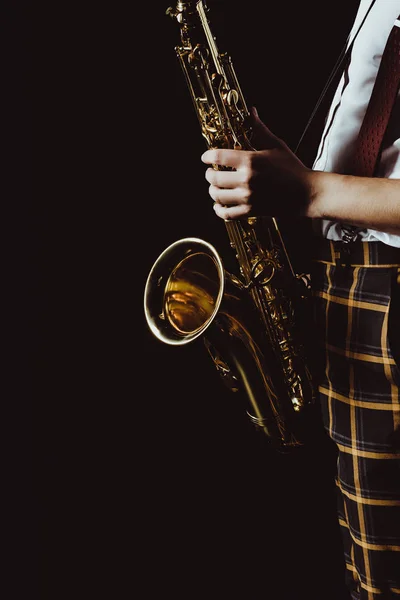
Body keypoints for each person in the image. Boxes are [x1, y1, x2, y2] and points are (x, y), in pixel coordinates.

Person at [200, 0, 400, 598]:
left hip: (386, 281)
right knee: (373, 568)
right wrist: (286, 166)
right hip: (347, 278)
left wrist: (311, 190)